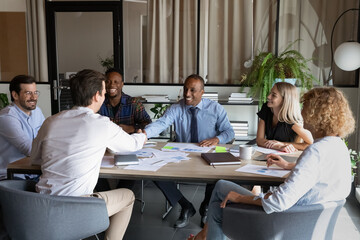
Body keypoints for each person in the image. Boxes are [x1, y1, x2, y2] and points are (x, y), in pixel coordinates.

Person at [190, 87, 355, 240]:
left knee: (221, 188)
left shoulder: (315, 151)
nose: (302, 113)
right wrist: (290, 166)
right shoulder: (339, 147)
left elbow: (278, 202)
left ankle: (205, 237)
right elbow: (317, 178)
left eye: (304, 107)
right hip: (312, 226)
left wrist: (240, 197)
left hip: (280, 224)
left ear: (316, 114)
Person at [30, 69, 147, 239]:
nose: (106, 95)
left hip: (41, 205)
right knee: (128, 196)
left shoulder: (51, 121)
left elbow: (35, 159)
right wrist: (141, 136)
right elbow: (132, 145)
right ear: (96, 96)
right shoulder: (100, 124)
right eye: (104, 92)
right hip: (75, 208)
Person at [144, 74, 234, 228]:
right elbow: (161, 124)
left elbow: (229, 132)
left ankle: (206, 207)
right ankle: (186, 206)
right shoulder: (176, 108)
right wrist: (143, 134)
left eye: (192, 90)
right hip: (181, 154)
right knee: (155, 173)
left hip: (207, 153)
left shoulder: (215, 108)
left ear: (202, 92)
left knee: (219, 177)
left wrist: (217, 139)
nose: (187, 94)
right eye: (185, 89)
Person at [0, 75, 45, 180]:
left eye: (35, 92)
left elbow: (47, 137)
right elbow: (29, 149)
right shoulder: (6, 117)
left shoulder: (37, 111)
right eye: (28, 93)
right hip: (11, 176)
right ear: (15, 95)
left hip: (32, 172)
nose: (34, 97)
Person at [256, 82, 313, 153]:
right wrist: (279, 146)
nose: (268, 96)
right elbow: (259, 140)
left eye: (274, 95)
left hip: (287, 156)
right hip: (269, 153)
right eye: (270, 93)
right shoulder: (266, 108)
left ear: (284, 99)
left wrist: (283, 144)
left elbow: (310, 143)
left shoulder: (291, 120)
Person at [99, 68, 152, 133]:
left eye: (116, 82)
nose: (112, 85)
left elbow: (149, 124)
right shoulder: (99, 102)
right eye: (108, 82)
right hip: (105, 141)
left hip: (129, 141)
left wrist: (132, 128)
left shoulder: (134, 103)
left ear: (122, 84)